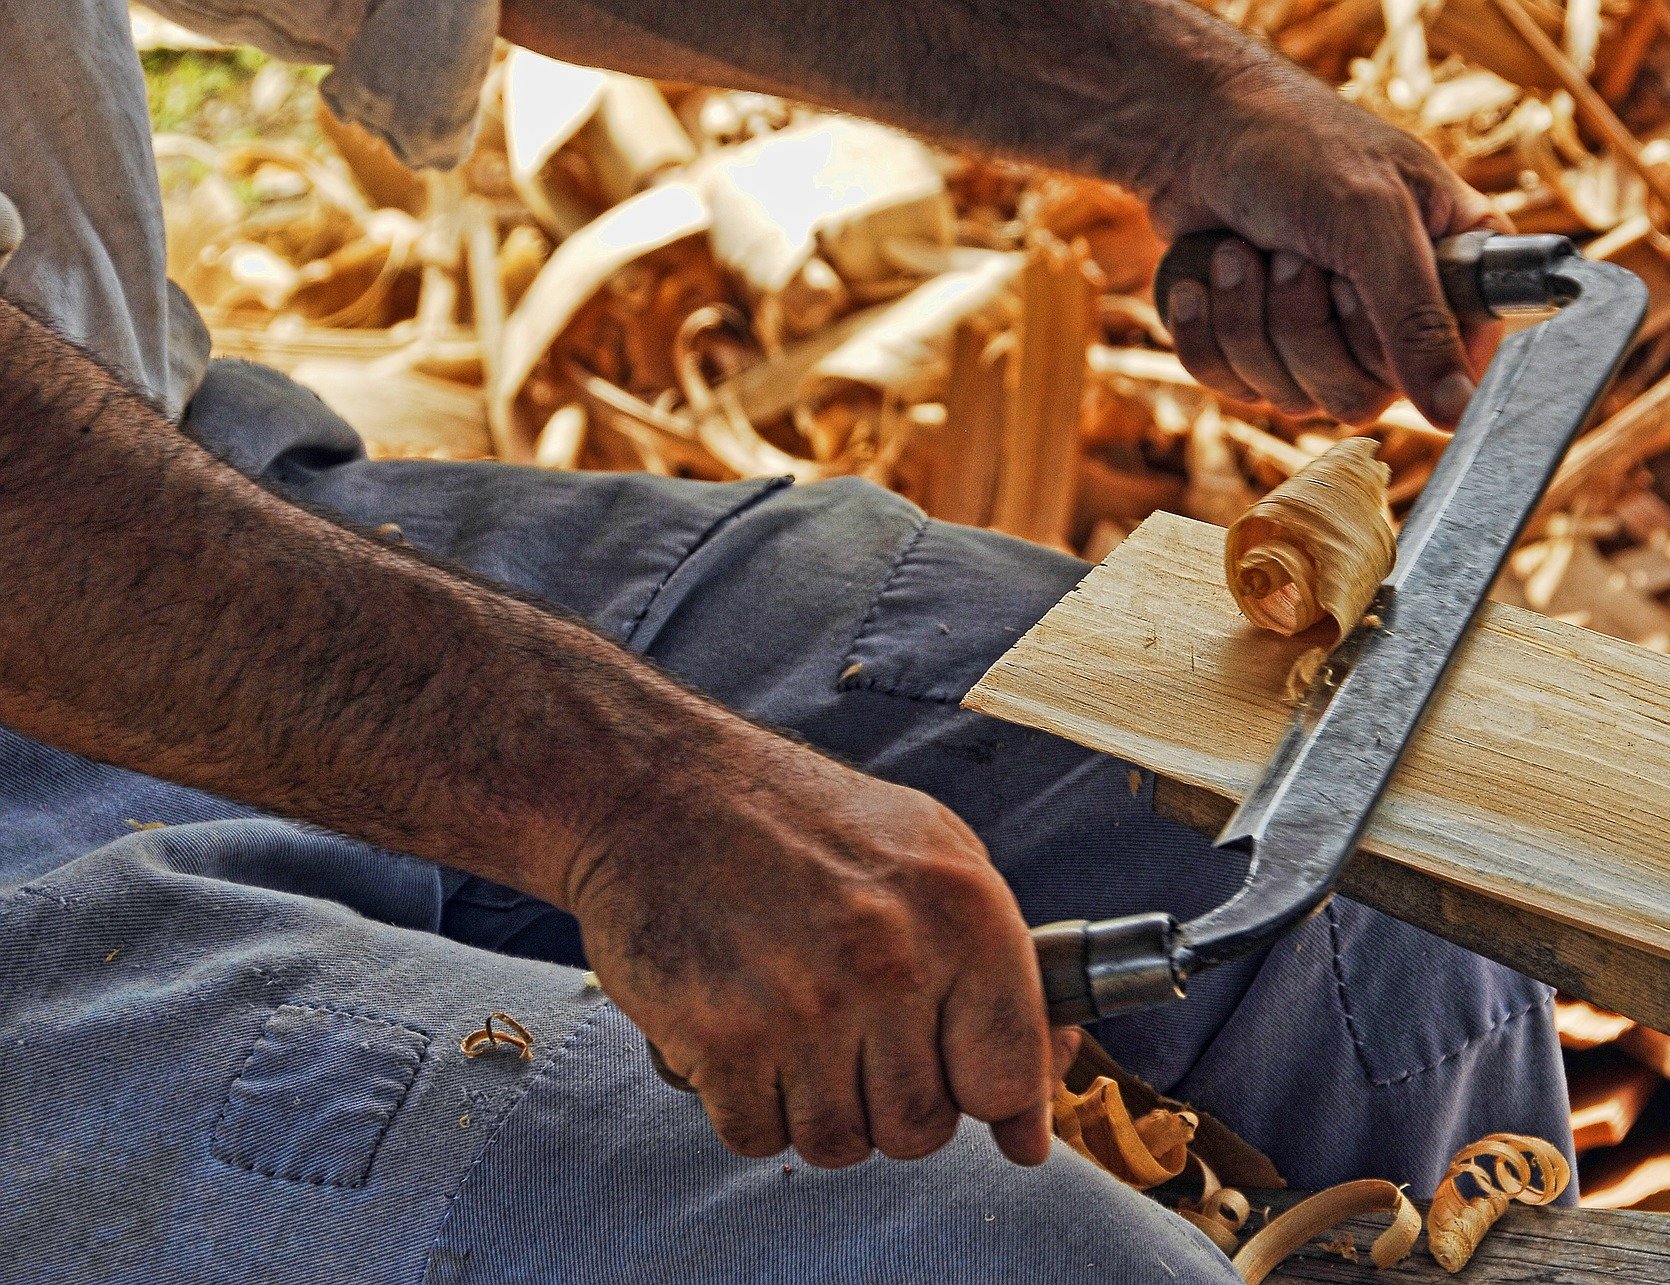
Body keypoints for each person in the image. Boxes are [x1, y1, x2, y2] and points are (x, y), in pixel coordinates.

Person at [0, 1, 1569, 1279]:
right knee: (994, 1263)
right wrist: (630, 794)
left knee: (1372, 929)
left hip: (166, 475)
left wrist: (1172, 101)